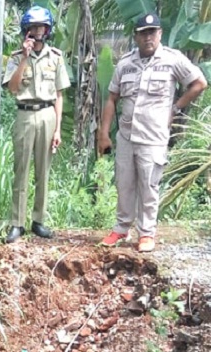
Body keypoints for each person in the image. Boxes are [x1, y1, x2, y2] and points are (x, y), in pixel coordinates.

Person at [97, 12, 207, 252]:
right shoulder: (125, 64)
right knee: (124, 183)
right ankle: (121, 228)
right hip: (126, 135)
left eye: (152, 32)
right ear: (136, 37)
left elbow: (199, 83)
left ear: (160, 34)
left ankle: (146, 233)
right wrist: (103, 133)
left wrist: (176, 109)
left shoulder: (172, 60)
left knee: (149, 184)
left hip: (153, 136)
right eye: (143, 33)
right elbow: (112, 98)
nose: (148, 37)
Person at [2, 6, 71, 243]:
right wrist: (23, 57)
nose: (37, 31)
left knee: (43, 170)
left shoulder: (56, 57)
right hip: (24, 115)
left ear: (47, 29)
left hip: (47, 115)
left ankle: (38, 220)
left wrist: (58, 128)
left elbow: (59, 95)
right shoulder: (15, 57)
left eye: (41, 26)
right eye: (33, 27)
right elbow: (12, 88)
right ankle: (17, 223)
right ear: (26, 30)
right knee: (20, 170)